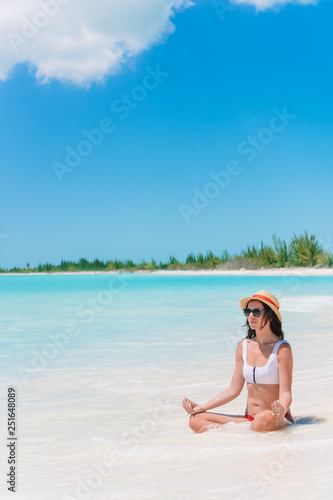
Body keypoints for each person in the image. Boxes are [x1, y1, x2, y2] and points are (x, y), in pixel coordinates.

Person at [182, 290, 294, 432]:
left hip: (273, 418)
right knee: (196, 420)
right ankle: (237, 440)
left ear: (270, 316)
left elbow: (286, 394)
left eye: (257, 312)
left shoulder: (282, 348)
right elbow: (233, 390)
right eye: (248, 312)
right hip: (249, 419)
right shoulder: (243, 347)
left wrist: (282, 409)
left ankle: (250, 432)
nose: (251, 316)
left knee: (261, 420)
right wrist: (202, 407)